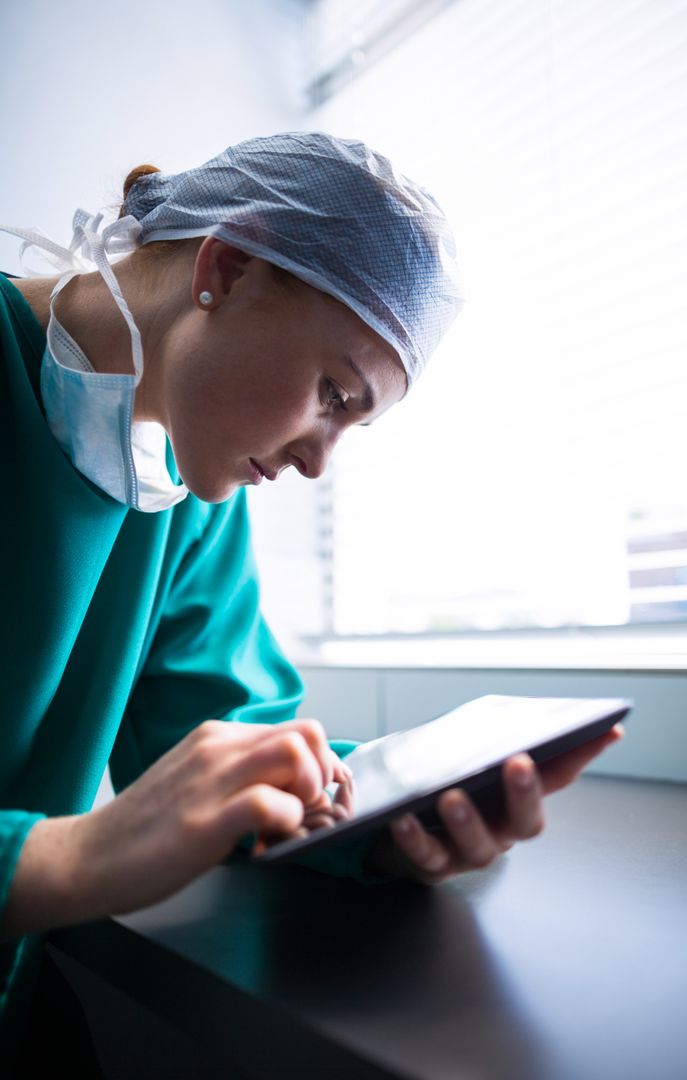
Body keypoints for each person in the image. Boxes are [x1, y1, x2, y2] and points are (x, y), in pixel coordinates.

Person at [0, 131, 622, 1064]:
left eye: (353, 424)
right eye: (333, 392)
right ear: (229, 267)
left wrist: (381, 824)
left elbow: (231, 741)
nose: (317, 462)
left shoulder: (183, 492)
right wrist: (70, 857)